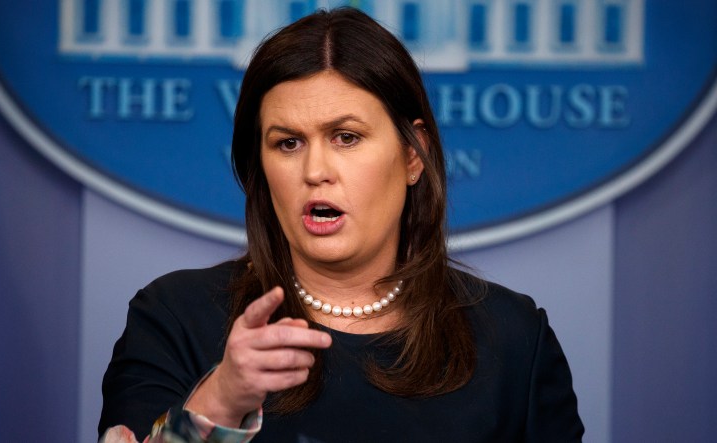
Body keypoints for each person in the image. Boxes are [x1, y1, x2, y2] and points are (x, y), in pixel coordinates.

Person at [98, 7, 584, 443]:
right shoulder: (175, 317)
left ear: (413, 155)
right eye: (288, 143)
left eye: (346, 137)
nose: (315, 171)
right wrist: (222, 400)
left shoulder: (514, 338)